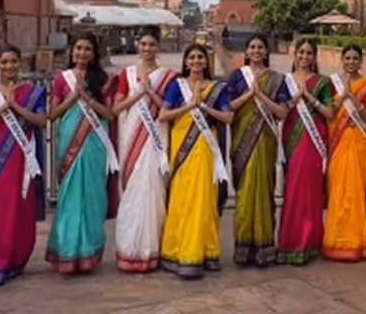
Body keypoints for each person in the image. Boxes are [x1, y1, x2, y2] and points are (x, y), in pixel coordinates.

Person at [0, 44, 48, 286]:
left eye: (13, 61)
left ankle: (16, 260)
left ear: (20, 63)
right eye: (4, 62)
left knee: (21, 212)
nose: (9, 66)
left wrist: (18, 108)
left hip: (23, 161)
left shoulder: (33, 92)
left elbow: (42, 121)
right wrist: (3, 108)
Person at [45, 33, 119, 275]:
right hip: (69, 141)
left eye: (87, 49)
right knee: (69, 197)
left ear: (94, 53)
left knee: (91, 196)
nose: (82, 53)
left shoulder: (103, 80)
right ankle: (67, 251)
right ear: (71, 51)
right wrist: (71, 98)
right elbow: (52, 114)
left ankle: (88, 252)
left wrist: (86, 98)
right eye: (78, 48)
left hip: (94, 142)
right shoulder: (60, 80)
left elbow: (109, 115)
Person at [158, 44, 233, 279]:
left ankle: (203, 252)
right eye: (192, 57)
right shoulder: (176, 86)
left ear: (206, 62)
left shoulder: (217, 88)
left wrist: (203, 106)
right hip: (182, 150)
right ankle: (178, 252)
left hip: (205, 150)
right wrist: (188, 106)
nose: (196, 61)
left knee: (204, 200)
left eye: (200, 57)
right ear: (186, 62)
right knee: (181, 200)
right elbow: (162, 115)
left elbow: (228, 117)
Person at [110, 28, 178, 273]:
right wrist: (138, 92)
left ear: (158, 47)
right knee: (130, 190)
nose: (147, 48)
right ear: (138, 46)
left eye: (151, 44)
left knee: (153, 189)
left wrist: (151, 92)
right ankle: (129, 249)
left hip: (155, 137)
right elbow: (117, 108)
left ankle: (150, 249)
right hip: (132, 134)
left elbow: (167, 111)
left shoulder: (169, 77)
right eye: (143, 44)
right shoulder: (126, 74)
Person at [226, 33, 291, 266]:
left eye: (260, 47)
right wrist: (248, 95)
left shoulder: (276, 79)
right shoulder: (236, 77)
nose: (256, 50)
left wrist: (261, 96)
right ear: (246, 52)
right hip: (242, 142)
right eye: (252, 47)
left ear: (266, 52)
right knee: (244, 195)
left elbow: (282, 113)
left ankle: (264, 248)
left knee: (264, 190)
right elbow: (229, 109)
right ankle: (243, 248)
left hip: (265, 142)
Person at [276, 39, 336, 265]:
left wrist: (309, 97)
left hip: (312, 140)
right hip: (291, 137)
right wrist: (293, 100)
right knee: (292, 190)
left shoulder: (322, 82)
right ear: (294, 54)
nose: (304, 56)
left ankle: (309, 242)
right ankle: (289, 242)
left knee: (310, 191)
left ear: (314, 56)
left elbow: (329, 113)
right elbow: (281, 110)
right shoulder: (285, 81)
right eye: (301, 52)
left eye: (309, 53)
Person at [322, 44, 366, 262]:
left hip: (359, 141)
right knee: (337, 191)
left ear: (361, 61)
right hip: (337, 142)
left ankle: (356, 243)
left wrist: (352, 97)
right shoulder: (331, 83)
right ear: (342, 60)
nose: (352, 62)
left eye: (356, 58)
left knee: (356, 191)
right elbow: (329, 113)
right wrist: (341, 94)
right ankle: (334, 241)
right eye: (348, 58)